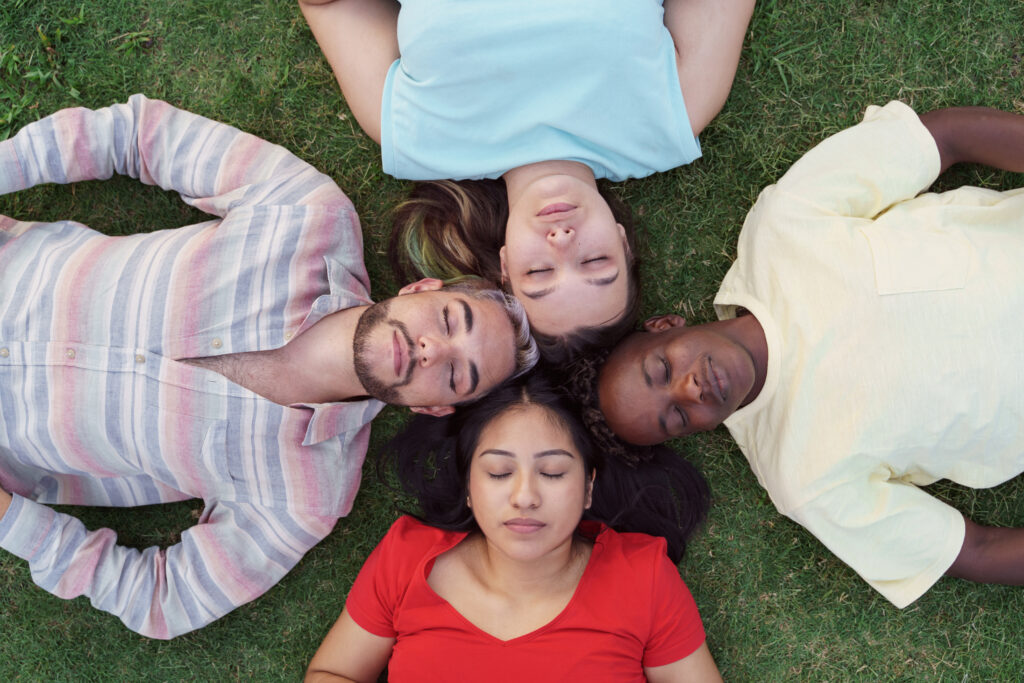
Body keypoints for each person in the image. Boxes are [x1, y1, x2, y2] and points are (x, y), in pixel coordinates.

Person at [0, 95, 538, 639]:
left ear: (433, 406)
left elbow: (164, 602)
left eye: (455, 374)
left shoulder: (308, 495)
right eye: (450, 321)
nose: (432, 350)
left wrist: (11, 521)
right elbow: (139, 134)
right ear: (422, 288)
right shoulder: (308, 215)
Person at [590, 100, 1024, 608]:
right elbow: (973, 548)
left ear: (665, 326)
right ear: (697, 434)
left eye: (662, 368)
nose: (689, 389)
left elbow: (942, 138)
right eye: (676, 419)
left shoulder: (785, 224)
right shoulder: (805, 478)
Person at [298, 0, 755, 361]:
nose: (561, 240)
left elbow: (330, 4)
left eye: (538, 272)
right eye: (596, 261)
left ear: (504, 264)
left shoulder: (418, 139)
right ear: (622, 241)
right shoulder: (672, 117)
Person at [305, 374, 719, 682]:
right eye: (500, 472)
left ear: (588, 487)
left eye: (553, 473)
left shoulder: (642, 576)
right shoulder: (407, 556)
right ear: (469, 486)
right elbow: (335, 672)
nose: (525, 496)